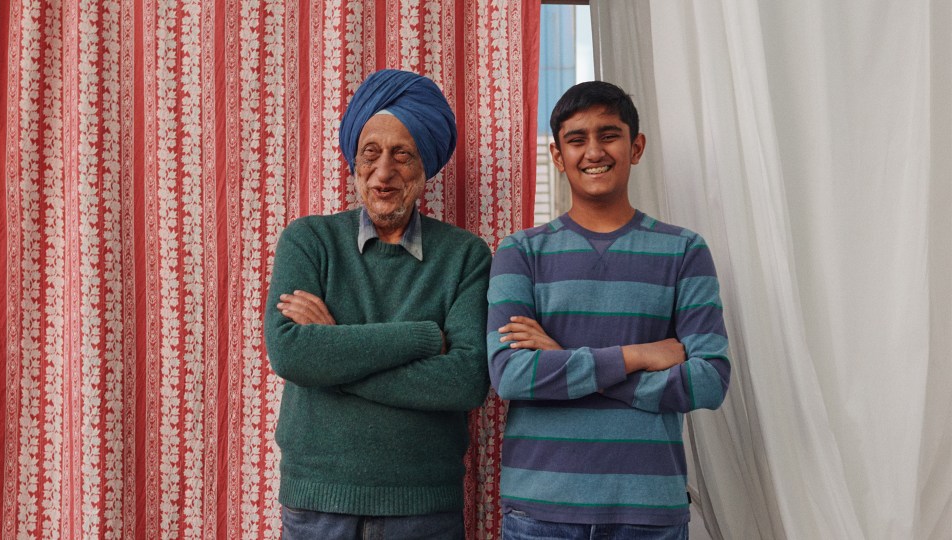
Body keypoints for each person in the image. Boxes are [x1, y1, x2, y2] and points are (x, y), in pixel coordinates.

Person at [487, 81, 731, 540]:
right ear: (558, 156)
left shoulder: (684, 251)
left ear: (635, 147)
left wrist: (561, 357)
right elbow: (511, 375)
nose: (594, 151)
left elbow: (709, 381)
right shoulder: (519, 252)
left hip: (649, 511)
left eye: (609, 135)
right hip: (541, 512)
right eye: (577, 139)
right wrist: (637, 356)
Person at [264, 69, 492, 540]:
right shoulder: (309, 241)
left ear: (425, 166)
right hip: (317, 504)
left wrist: (334, 358)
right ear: (354, 162)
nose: (383, 172)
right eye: (370, 153)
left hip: (424, 508)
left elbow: (466, 381)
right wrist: (422, 337)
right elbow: (292, 354)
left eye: (402, 154)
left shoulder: (466, 255)